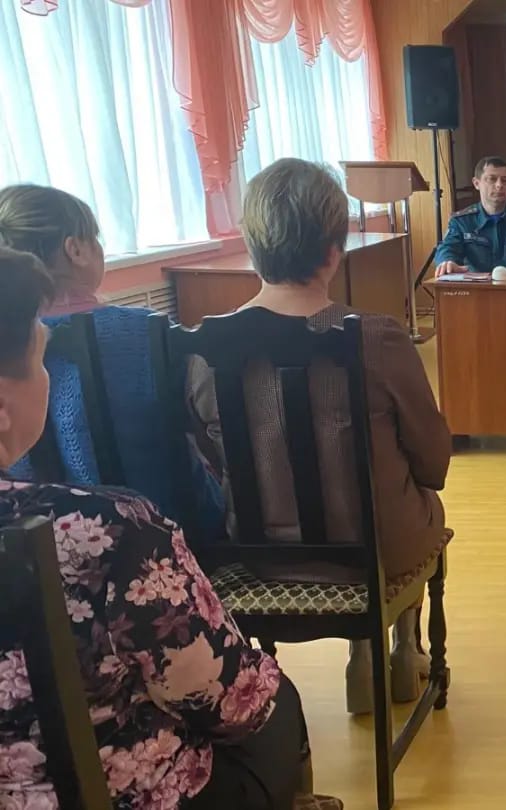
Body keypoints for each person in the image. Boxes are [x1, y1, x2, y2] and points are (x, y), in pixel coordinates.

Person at [0, 245, 309, 809]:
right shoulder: (109, 532)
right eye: (42, 360)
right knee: (275, 702)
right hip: (132, 793)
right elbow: (234, 703)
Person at [187, 159, 452, 714]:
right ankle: (403, 647)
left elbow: (209, 460)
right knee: (419, 499)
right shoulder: (377, 337)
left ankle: (367, 653)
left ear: (250, 246)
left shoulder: (204, 350)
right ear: (335, 252)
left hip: (257, 558)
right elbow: (433, 462)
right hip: (374, 554)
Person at [0, 184, 224, 538]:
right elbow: (209, 430)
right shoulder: (147, 331)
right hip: (172, 527)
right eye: (95, 239)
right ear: (75, 249)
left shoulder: (11, 344)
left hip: (44, 539)